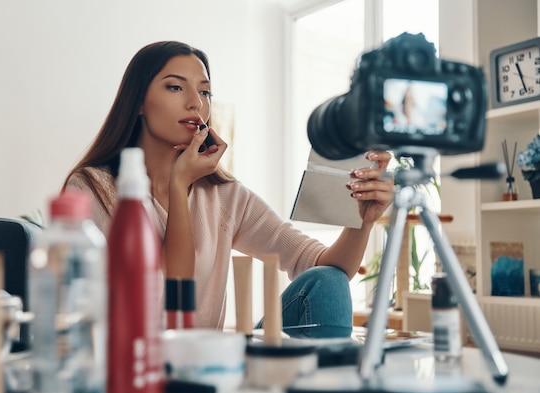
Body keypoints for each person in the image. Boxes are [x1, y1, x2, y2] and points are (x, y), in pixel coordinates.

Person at [62, 40, 394, 338]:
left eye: (205, 92)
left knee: (328, 280)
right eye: (176, 88)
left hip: (210, 365)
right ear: (138, 103)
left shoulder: (224, 196)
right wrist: (179, 187)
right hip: (135, 362)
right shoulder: (92, 190)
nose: (196, 103)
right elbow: (171, 295)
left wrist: (361, 220)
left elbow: (326, 268)